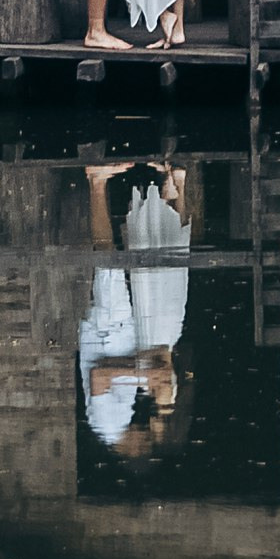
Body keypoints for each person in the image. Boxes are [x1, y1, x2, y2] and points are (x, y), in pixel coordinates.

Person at [77, 161, 192, 461]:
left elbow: (99, 376)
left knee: (107, 260)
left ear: (135, 450)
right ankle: (165, 188)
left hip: (107, 330)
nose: (142, 431)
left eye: (144, 441)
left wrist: (142, 372)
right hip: (120, 332)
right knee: (121, 262)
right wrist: (146, 376)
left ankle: (97, 182)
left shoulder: (106, 425)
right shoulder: (121, 420)